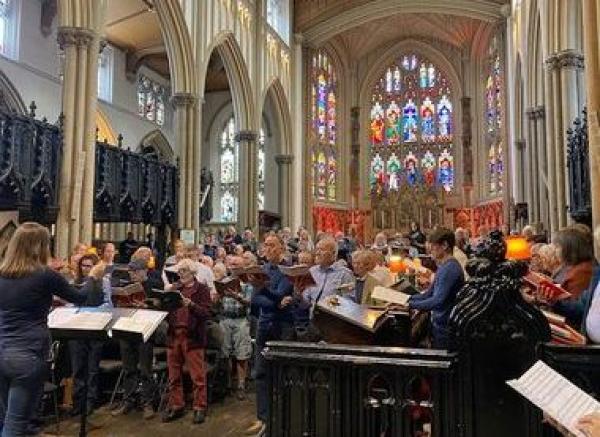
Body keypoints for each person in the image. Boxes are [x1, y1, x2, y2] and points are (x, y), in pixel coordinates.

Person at [0, 222, 87, 436]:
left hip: (2, 350)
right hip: (27, 353)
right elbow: (80, 298)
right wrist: (93, 277)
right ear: (41, 246)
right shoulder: (44, 275)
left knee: (4, 419)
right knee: (17, 423)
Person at [245, 235, 295, 436]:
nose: (267, 248)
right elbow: (256, 301)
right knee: (260, 373)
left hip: (283, 326)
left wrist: (266, 290)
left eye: (272, 245)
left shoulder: (289, 270)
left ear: (281, 247)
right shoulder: (262, 270)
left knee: (283, 373)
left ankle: (284, 417)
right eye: (265, 244)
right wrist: (275, 300)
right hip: (264, 325)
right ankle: (264, 418)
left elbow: (285, 292)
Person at [162, 259, 211, 425]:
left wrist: (191, 305)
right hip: (174, 334)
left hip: (192, 336)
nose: (180, 274)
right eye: (179, 271)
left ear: (193, 273)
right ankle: (176, 405)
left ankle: (199, 407)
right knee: (173, 375)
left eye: (184, 271)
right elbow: (167, 312)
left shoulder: (202, 289)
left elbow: (206, 313)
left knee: (197, 376)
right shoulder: (175, 289)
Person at [111, 257, 159, 420]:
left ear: (145, 271)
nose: (132, 275)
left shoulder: (154, 285)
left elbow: (160, 307)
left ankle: (147, 403)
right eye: (131, 271)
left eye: (135, 271)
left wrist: (147, 306)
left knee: (145, 369)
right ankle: (128, 400)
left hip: (144, 330)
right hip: (127, 328)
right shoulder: (125, 285)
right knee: (128, 368)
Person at [408, 227, 465, 348]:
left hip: (444, 330)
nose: (430, 251)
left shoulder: (450, 269)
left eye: (432, 247)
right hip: (440, 325)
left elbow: (437, 301)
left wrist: (409, 304)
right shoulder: (444, 267)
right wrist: (405, 299)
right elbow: (427, 295)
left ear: (444, 245)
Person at [218, 256, 253, 400]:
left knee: (241, 354)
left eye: (237, 264)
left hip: (241, 319)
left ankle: (241, 385)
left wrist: (236, 296)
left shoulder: (248, 282)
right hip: (225, 318)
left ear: (243, 266)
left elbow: (250, 303)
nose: (233, 267)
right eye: (231, 264)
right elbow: (218, 303)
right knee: (225, 352)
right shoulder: (223, 281)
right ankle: (226, 384)